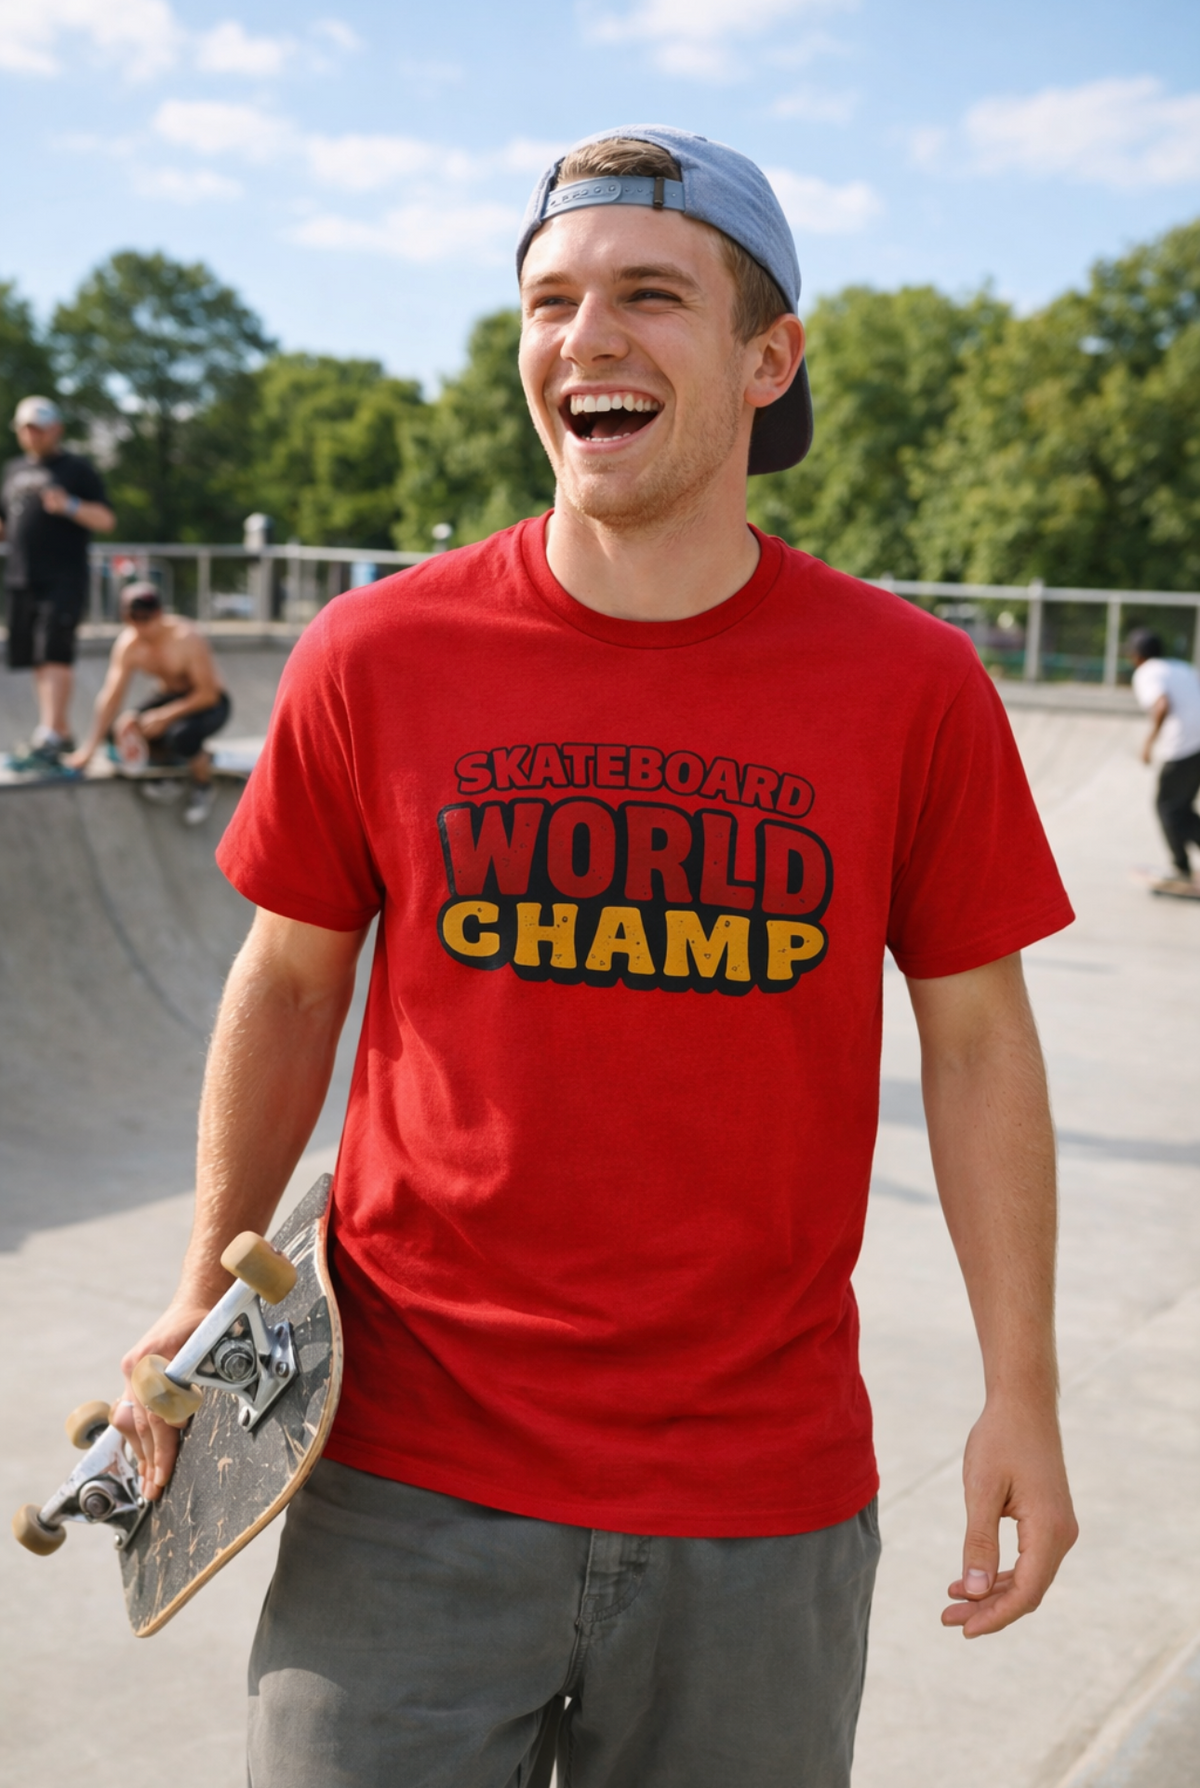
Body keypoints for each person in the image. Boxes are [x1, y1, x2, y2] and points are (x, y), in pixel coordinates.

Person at [113, 127, 1078, 1787]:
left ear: (769, 358)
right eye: (551, 300)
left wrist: (1023, 1391)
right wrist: (203, 1281)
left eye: (651, 295)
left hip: (757, 1505)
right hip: (401, 1480)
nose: (588, 337)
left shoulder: (908, 686)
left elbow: (981, 1043)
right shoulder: (377, 653)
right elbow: (289, 982)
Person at [0, 396, 115, 762]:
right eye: (25, 429)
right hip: (22, 577)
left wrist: (70, 506)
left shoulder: (76, 469)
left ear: (56, 429)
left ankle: (50, 734)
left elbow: (107, 520)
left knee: (54, 653)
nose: (31, 435)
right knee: (36, 658)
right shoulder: (13, 469)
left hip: (62, 577)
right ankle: (56, 731)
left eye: (38, 428)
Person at [66, 582, 230, 825]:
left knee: (181, 735)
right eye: (133, 620)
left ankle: (203, 786)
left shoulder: (186, 637)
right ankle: (172, 766)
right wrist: (89, 749)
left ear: (159, 613)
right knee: (120, 731)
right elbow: (111, 695)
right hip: (169, 698)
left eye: (146, 619)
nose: (141, 627)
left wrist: (164, 716)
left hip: (209, 704)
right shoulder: (128, 645)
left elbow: (208, 694)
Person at [1127, 627, 1200, 892]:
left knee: (1167, 808)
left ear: (1137, 656)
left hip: (1183, 747)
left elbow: (1162, 704)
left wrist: (1149, 742)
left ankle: (1181, 870)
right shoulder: (1181, 667)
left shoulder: (1146, 672)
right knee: (1181, 808)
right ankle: (1182, 867)